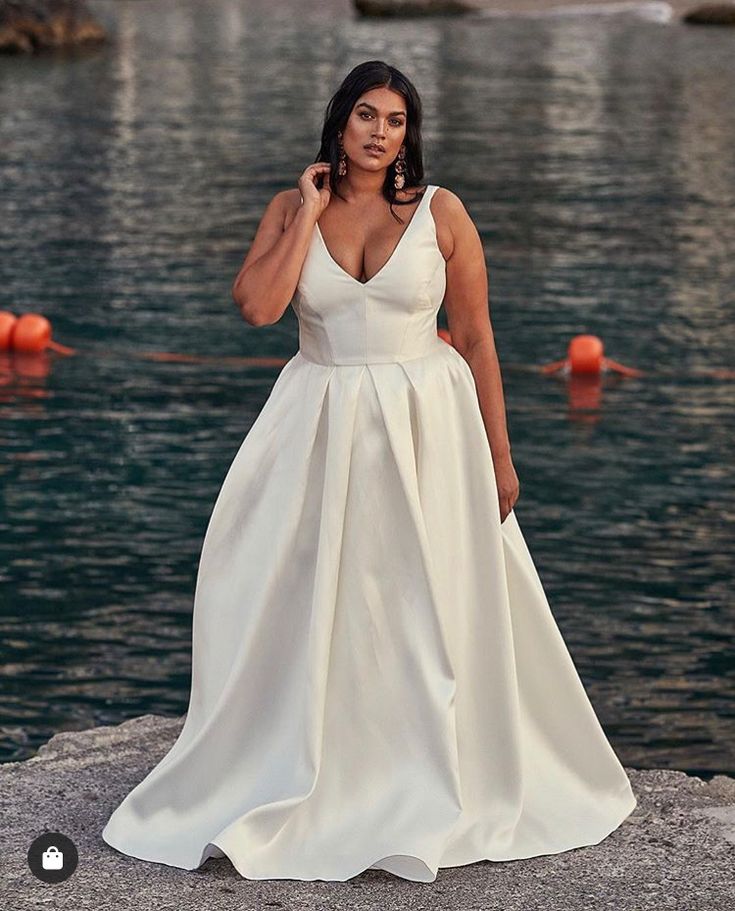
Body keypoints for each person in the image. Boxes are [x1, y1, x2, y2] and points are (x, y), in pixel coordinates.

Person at [102, 59, 637, 883]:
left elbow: (479, 334)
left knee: (423, 598)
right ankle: (314, 759)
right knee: (311, 596)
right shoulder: (292, 208)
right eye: (365, 115)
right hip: (318, 419)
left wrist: (499, 452)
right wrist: (307, 211)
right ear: (339, 124)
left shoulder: (441, 212)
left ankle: (429, 764)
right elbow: (257, 306)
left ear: (406, 134)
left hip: (431, 423)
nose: (380, 132)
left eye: (394, 120)